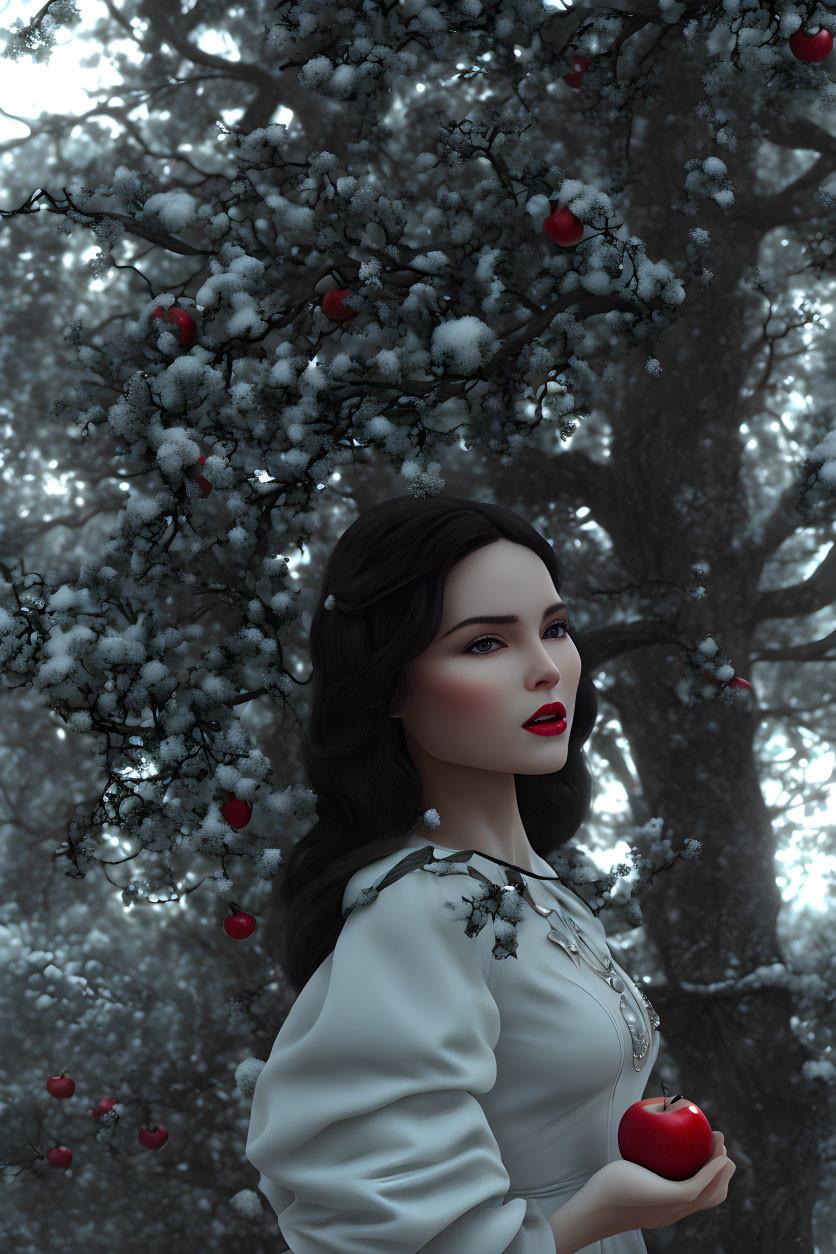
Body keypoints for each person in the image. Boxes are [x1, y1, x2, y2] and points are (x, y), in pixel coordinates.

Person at [245, 494, 735, 1252]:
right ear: (392, 685)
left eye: (556, 629)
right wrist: (601, 1210)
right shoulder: (415, 911)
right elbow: (381, 1228)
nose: (546, 670)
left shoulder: (540, 889)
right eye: (484, 644)